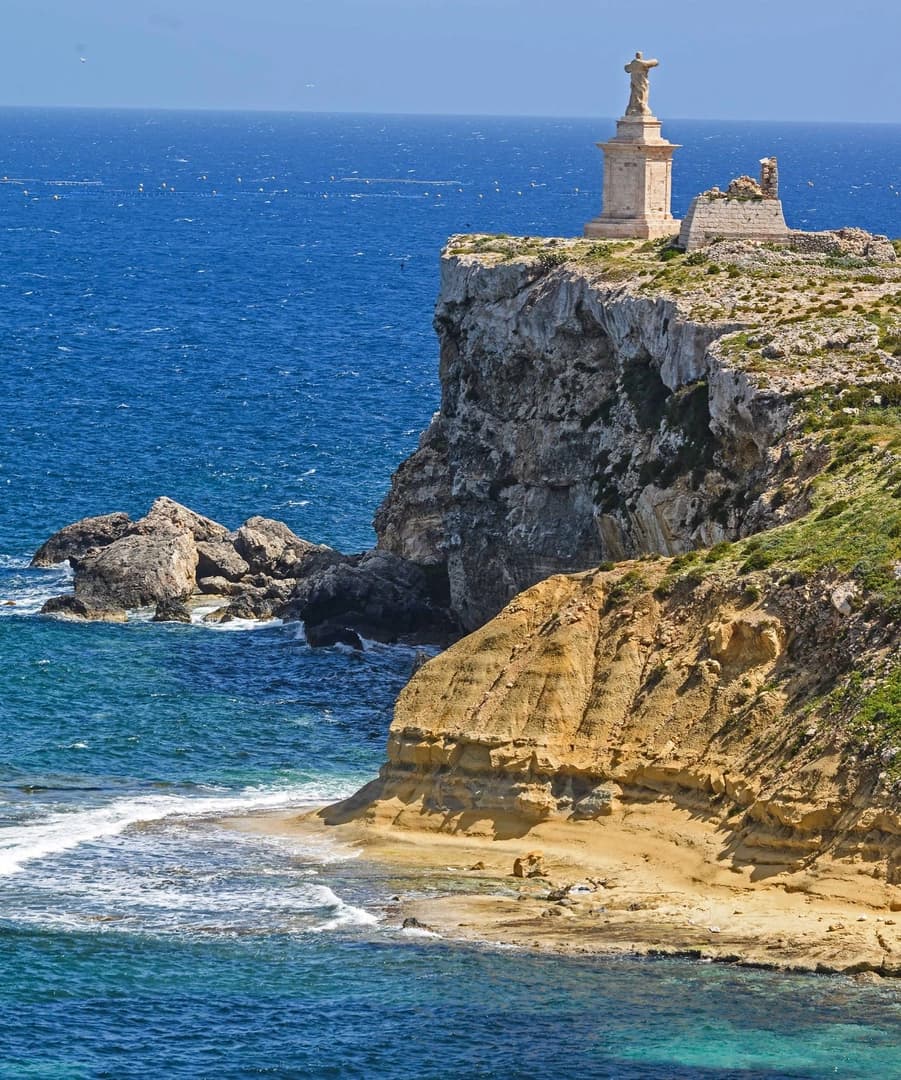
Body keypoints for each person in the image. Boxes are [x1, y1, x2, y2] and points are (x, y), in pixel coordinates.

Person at [624, 51, 659, 116]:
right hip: (642, 83)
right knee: (643, 94)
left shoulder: (632, 64)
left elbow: (626, 68)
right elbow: (653, 62)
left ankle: (633, 108)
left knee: (634, 96)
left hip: (634, 83)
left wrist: (631, 64)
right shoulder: (641, 63)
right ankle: (642, 108)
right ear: (641, 56)